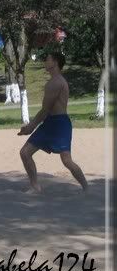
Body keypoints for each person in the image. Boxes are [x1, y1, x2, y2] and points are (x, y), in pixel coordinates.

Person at [18, 52, 88, 193]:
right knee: (25, 152)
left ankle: (86, 188)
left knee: (66, 160)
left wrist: (30, 127)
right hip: (50, 123)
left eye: (47, 59)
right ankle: (35, 186)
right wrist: (31, 126)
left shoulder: (55, 83)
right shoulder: (54, 81)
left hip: (60, 124)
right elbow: (46, 112)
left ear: (55, 63)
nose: (45, 61)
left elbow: (45, 110)